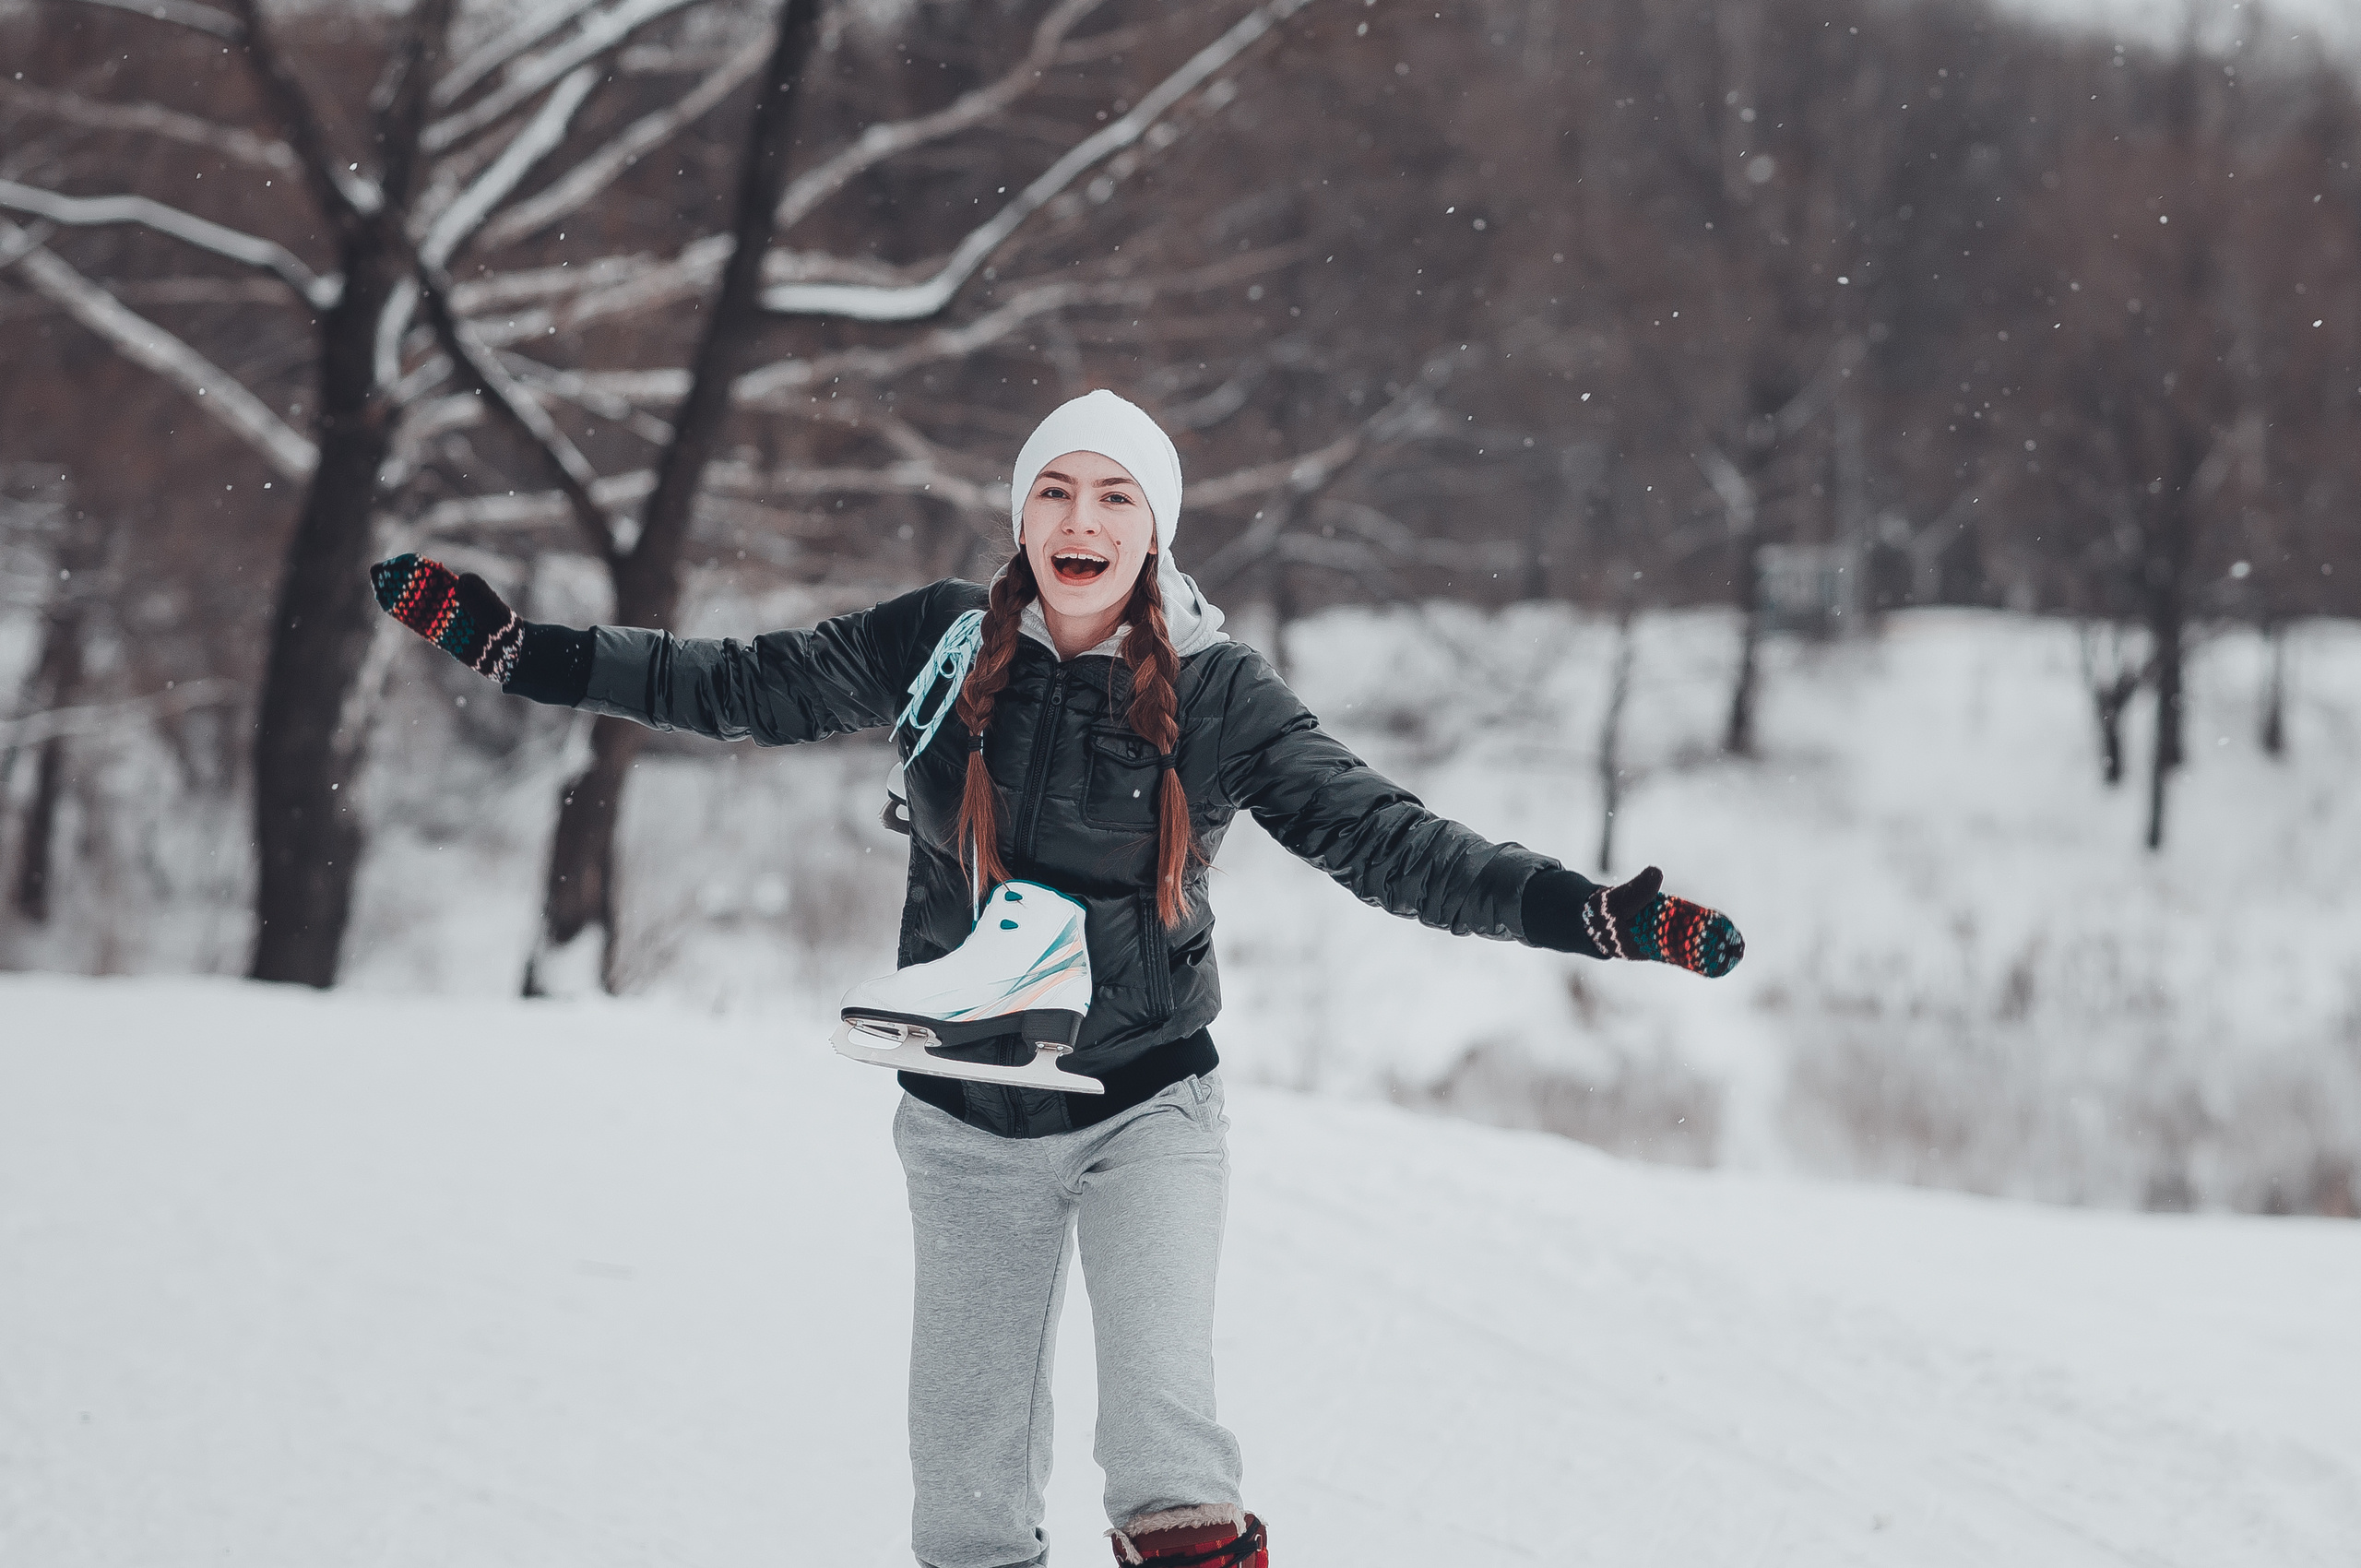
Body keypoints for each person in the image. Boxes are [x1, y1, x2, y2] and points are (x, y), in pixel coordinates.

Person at [371, 389, 1743, 1568]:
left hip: (1146, 1102)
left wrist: (1589, 916)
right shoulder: (939, 643)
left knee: (1166, 1457)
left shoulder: (1219, 693)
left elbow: (1390, 843)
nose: (1081, 521)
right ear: (1023, 514)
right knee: (965, 1502)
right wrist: (523, 651)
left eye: (1114, 497)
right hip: (966, 1114)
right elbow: (732, 683)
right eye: (1056, 492)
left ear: (1156, 529)